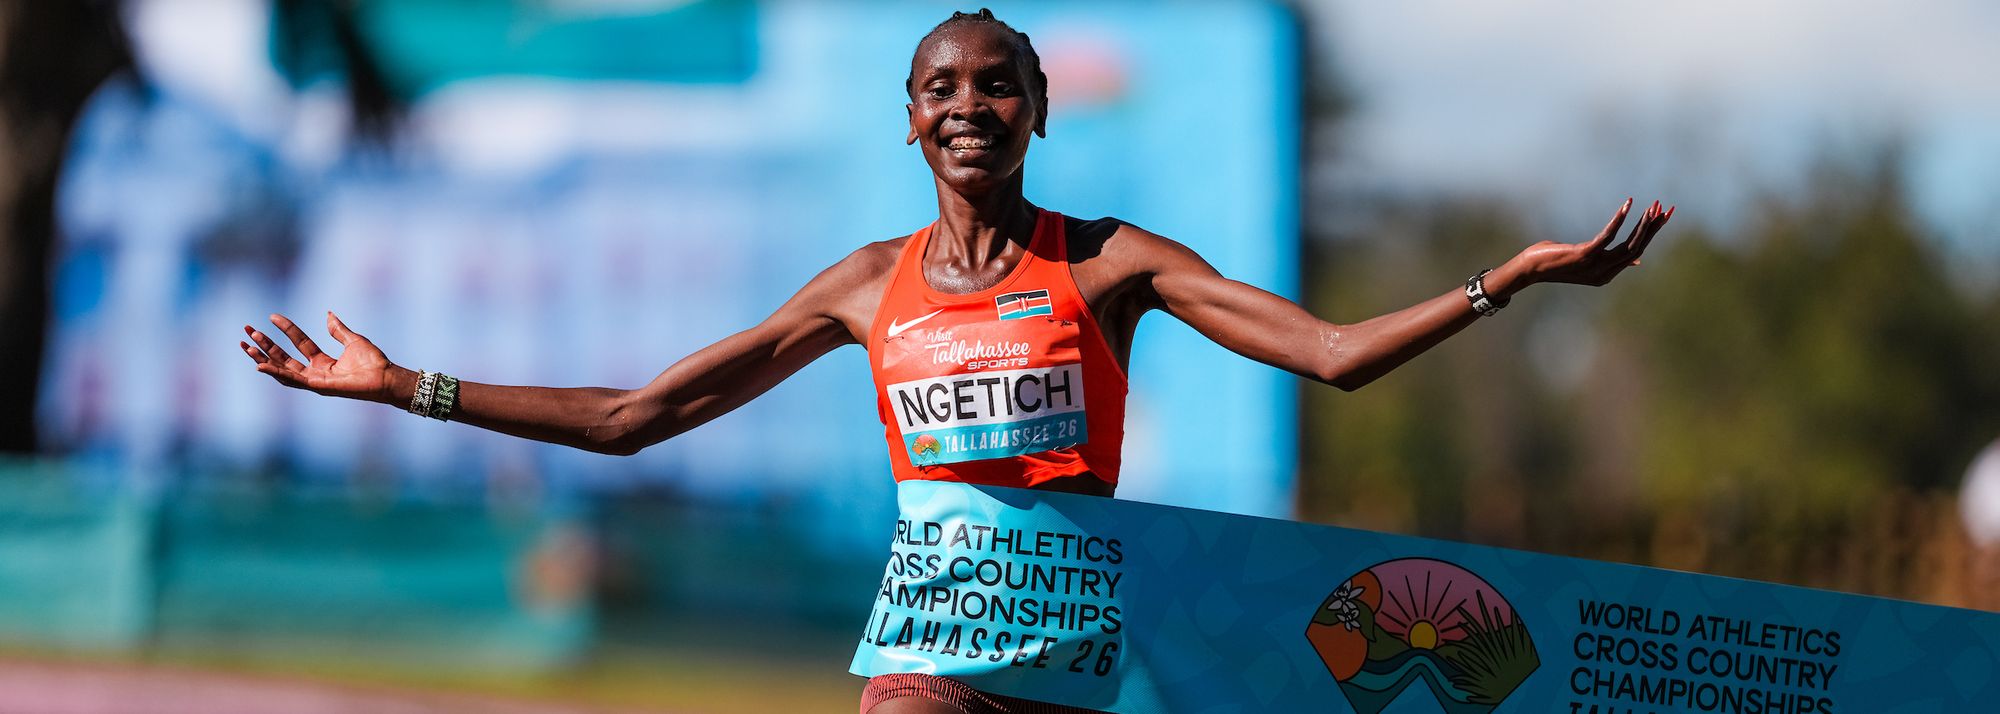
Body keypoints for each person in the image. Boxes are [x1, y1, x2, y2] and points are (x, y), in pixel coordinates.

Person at [239, 9, 1673, 714]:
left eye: (1000, 84)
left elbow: (1339, 354)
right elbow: (634, 413)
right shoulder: (866, 289)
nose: (972, 104)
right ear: (909, 123)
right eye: (943, 88)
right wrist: (407, 381)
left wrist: (1511, 281)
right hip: (928, 660)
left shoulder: (1114, 262)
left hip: (1094, 662)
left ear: (1040, 109)